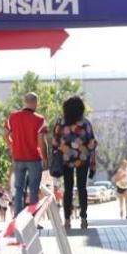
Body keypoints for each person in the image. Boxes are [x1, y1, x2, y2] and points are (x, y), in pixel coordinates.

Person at [52, 96, 97, 229]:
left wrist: (62, 150)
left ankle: (67, 220)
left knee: (68, 189)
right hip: (82, 159)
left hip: (66, 160)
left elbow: (55, 142)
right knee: (82, 188)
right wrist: (90, 158)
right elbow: (92, 143)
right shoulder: (85, 124)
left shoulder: (60, 123)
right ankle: (83, 218)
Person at [4, 92, 49, 214]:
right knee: (34, 188)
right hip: (34, 157)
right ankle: (33, 216)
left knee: (19, 188)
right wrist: (45, 158)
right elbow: (41, 141)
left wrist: (14, 147)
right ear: (36, 103)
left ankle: (17, 215)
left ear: (25, 102)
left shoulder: (12, 117)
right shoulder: (39, 119)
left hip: (18, 157)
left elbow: (5, 136)